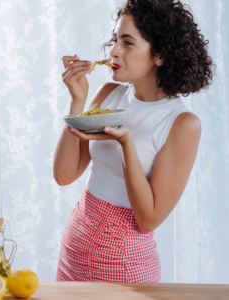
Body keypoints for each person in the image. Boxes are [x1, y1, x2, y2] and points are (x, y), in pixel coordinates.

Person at [53, 0, 214, 283]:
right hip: (75, 245)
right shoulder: (108, 93)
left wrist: (126, 142)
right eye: (115, 39)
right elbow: (64, 175)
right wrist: (77, 101)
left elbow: (149, 219)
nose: (114, 50)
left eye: (128, 42)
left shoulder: (182, 124)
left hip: (124, 260)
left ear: (160, 55)